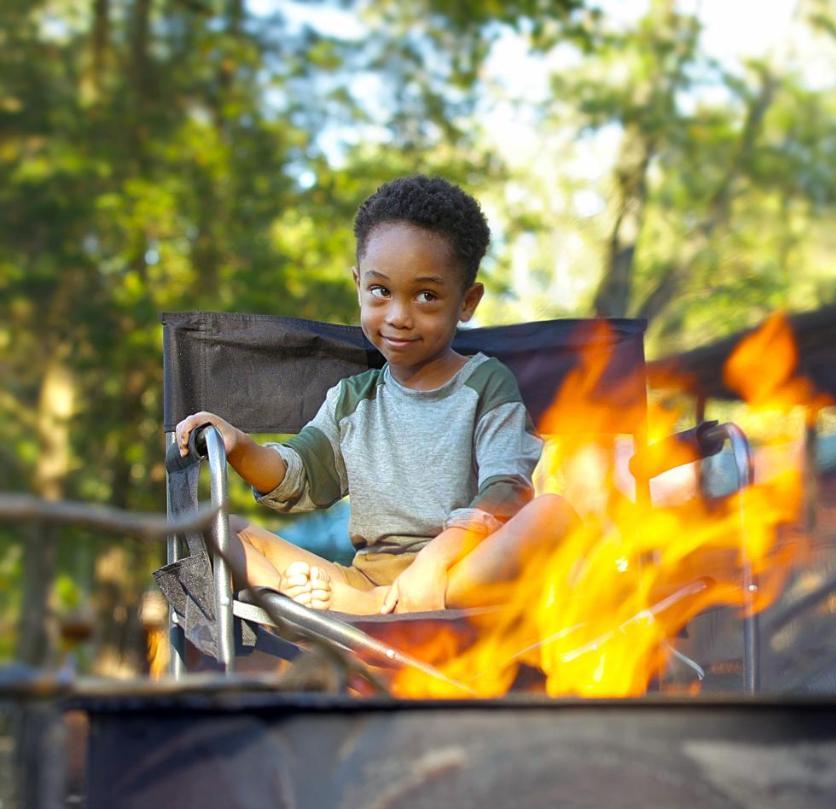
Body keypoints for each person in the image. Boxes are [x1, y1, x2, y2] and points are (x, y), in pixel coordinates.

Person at [174, 175, 576, 614]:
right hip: (361, 579)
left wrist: (436, 560)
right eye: (380, 291)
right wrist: (240, 446)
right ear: (358, 285)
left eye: (426, 296)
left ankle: (341, 613)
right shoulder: (353, 399)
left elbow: (507, 488)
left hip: (458, 575)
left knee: (553, 512)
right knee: (221, 529)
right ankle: (311, 606)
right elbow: (299, 475)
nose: (399, 316)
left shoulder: (485, 384)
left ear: (467, 301)